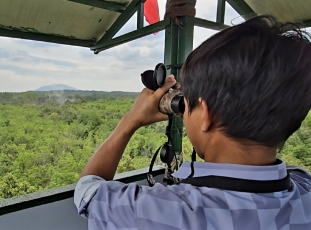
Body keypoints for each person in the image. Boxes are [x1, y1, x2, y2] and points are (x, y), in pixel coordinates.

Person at [73, 15, 311, 230]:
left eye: (188, 105)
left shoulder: (154, 214)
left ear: (207, 115)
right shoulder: (305, 188)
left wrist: (131, 120)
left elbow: (88, 189)